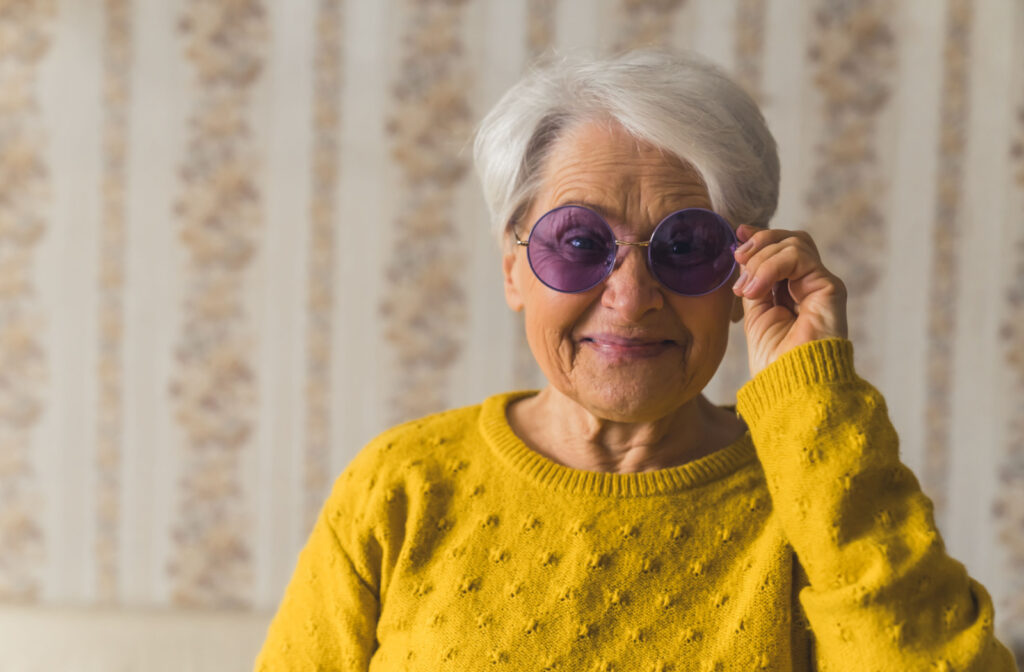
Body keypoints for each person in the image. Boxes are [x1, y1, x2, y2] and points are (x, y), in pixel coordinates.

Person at [255, 50, 1017, 671]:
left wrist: (811, 395)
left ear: (742, 274)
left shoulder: (814, 494)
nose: (631, 297)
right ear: (514, 269)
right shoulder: (403, 486)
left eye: (685, 247)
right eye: (581, 242)